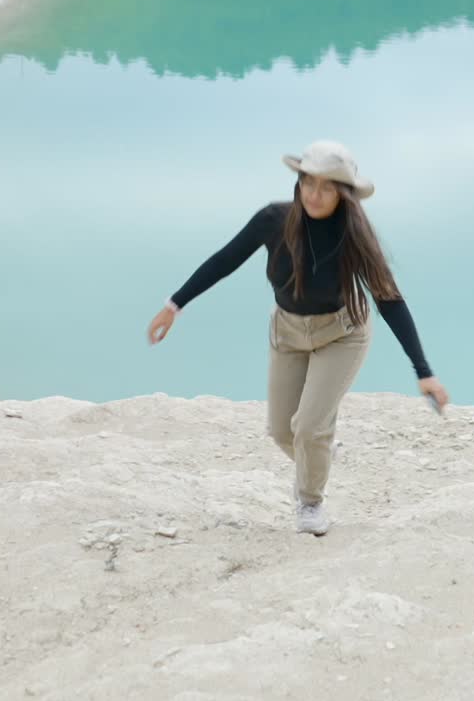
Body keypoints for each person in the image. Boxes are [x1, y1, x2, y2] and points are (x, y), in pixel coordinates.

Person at [147, 140, 449, 537]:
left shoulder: (355, 234)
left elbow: (389, 300)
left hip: (341, 335)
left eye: (327, 187)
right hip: (288, 332)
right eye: (308, 183)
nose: (314, 194)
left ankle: (310, 503)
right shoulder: (274, 220)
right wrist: (174, 305)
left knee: (308, 427)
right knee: (281, 431)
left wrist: (423, 370)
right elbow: (225, 260)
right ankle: (320, 452)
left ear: (344, 195)